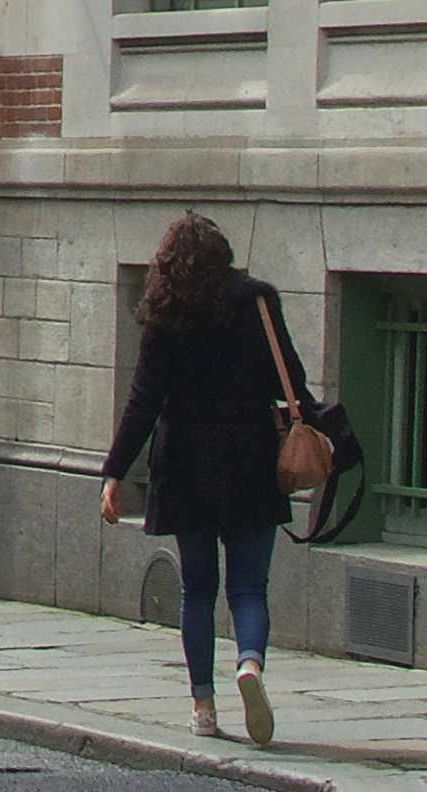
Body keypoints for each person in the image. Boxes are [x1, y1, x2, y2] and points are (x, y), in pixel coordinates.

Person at [101, 211, 303, 741]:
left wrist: (115, 472)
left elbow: (143, 402)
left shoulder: (166, 312)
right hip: (252, 459)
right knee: (250, 587)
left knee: (197, 589)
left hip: (186, 464)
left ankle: (204, 708)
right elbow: (293, 381)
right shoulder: (258, 302)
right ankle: (250, 663)